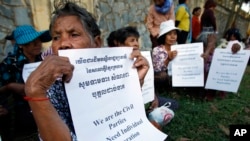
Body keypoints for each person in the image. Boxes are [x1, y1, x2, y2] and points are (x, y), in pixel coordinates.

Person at [24, 2, 149, 140]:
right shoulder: (50, 86)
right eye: (56, 37)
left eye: (74, 34)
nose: (63, 44)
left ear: (96, 43)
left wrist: (133, 83)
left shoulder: (110, 75)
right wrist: (35, 92)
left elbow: (121, 122)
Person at [107, 26, 178, 125]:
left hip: (145, 99)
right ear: (119, 43)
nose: (136, 43)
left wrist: (154, 97)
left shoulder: (141, 58)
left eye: (136, 40)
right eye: (132, 40)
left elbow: (148, 83)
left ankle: (150, 115)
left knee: (174, 104)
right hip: (127, 105)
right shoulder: (114, 64)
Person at [0, 25, 51, 141]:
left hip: (45, 113)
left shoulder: (45, 60)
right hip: (19, 121)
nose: (37, 44)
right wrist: (10, 87)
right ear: (21, 45)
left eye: (38, 40)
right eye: (31, 42)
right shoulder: (9, 64)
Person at [152, 20, 179, 94]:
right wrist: (168, 59)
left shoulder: (178, 48)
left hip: (177, 74)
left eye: (174, 34)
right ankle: (165, 90)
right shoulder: (157, 50)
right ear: (164, 36)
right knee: (162, 75)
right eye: (169, 34)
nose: (173, 37)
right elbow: (157, 70)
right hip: (165, 77)